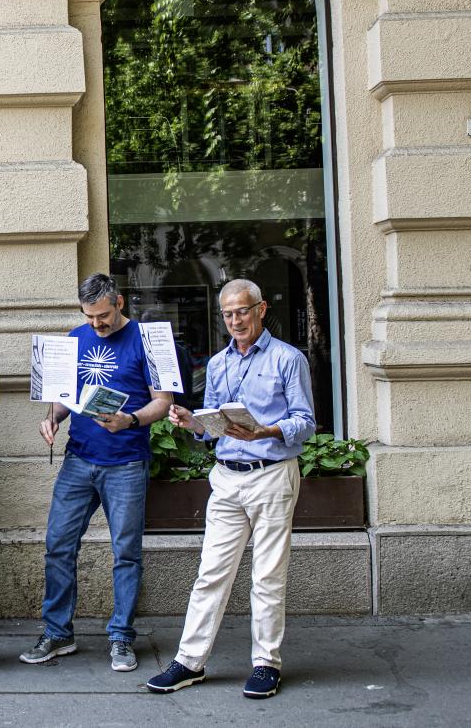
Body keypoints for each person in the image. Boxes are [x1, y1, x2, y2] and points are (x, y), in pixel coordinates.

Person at [146, 278, 315, 700]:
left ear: (261, 309)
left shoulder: (288, 358)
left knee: (268, 576)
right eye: (227, 314)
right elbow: (213, 423)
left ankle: (266, 664)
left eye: (242, 311)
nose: (235, 320)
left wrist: (265, 431)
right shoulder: (219, 362)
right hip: (226, 476)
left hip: (271, 473)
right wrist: (193, 422)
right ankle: (190, 662)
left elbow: (305, 422)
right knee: (211, 573)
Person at [24, 274, 173, 672]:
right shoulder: (74, 338)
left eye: (102, 316)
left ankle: (122, 636)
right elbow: (62, 398)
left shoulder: (147, 340)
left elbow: (163, 402)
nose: (96, 324)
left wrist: (131, 420)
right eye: (88, 316)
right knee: (58, 545)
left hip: (126, 461)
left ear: (119, 302)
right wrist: (52, 418)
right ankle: (58, 633)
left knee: (126, 552)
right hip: (79, 459)